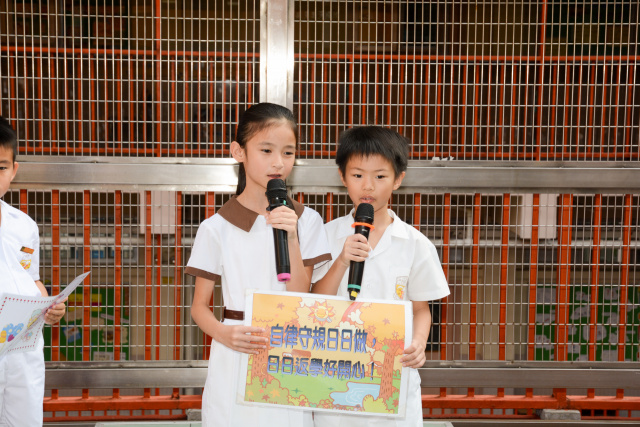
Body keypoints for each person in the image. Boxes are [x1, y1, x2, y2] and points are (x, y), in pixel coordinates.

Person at [186, 103, 331, 427]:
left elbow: (301, 293)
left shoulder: (307, 220)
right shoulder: (216, 227)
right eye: (266, 150)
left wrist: (290, 235)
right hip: (236, 350)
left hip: (289, 352)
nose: (278, 162)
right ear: (239, 151)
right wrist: (224, 333)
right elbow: (199, 306)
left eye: (288, 152)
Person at [311, 126, 450, 427]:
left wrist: (419, 343)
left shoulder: (415, 243)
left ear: (398, 179)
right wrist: (342, 261)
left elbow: (420, 309)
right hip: (335, 376)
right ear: (342, 176)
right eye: (358, 175)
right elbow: (314, 301)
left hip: (392, 379)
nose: (368, 186)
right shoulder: (325, 235)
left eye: (380, 176)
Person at [0, 116, 66, 426]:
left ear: (14, 170)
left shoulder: (24, 225)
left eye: (1, 167)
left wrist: (49, 305)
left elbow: (31, 278)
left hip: (23, 346)